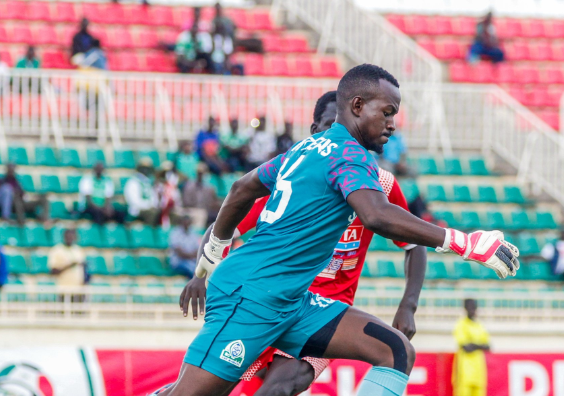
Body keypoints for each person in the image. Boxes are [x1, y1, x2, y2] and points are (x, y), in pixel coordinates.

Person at [157, 64, 519, 396]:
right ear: (358, 106)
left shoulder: (306, 149)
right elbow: (376, 215)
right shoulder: (349, 155)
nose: (392, 124)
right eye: (387, 113)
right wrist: (465, 243)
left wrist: (210, 255)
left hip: (293, 301)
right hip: (250, 297)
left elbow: (242, 188)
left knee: (394, 349)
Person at [184, 90, 428, 396]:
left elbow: (413, 244)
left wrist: (408, 305)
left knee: (280, 388)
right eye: (331, 126)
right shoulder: (295, 183)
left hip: (322, 312)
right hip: (264, 299)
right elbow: (225, 223)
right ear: (315, 132)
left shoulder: (379, 185)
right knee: (207, 389)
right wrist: (201, 274)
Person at [453, 299, 490, 396]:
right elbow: (466, 347)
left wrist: (473, 344)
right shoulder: (461, 324)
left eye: (474, 307)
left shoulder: (479, 325)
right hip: (464, 369)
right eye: (470, 307)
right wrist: (479, 345)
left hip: (479, 370)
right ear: (465, 309)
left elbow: (488, 346)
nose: (472, 310)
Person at [49, 229, 87, 302]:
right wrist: (69, 266)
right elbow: (53, 271)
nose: (70, 238)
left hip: (78, 290)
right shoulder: (56, 250)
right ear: (64, 236)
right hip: (63, 289)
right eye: (68, 236)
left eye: (71, 236)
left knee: (78, 312)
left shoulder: (78, 250)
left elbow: (83, 269)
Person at [181, 164, 220, 229]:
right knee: (200, 215)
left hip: (205, 211)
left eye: (202, 173)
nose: (200, 175)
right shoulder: (189, 186)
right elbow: (186, 202)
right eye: (199, 173)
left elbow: (213, 202)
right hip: (191, 210)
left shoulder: (210, 188)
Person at [124, 157, 159, 226]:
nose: (145, 170)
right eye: (143, 168)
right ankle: (148, 233)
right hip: (136, 210)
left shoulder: (149, 183)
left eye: (148, 168)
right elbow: (134, 201)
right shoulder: (133, 182)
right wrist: (148, 205)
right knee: (152, 213)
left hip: (148, 208)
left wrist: (153, 205)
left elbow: (153, 197)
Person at [156, 161, 181, 228]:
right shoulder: (158, 186)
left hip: (172, 210)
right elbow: (156, 202)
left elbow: (178, 202)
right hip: (160, 210)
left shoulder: (174, 188)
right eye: (165, 173)